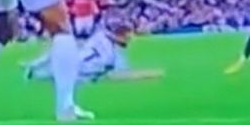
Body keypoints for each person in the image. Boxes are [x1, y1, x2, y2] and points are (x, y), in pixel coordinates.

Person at [24, 25, 164, 83]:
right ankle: (34, 70)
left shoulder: (100, 36)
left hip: (78, 60)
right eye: (127, 38)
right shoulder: (113, 55)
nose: (129, 41)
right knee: (63, 77)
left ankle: (33, 69)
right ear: (120, 36)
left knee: (55, 69)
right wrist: (148, 74)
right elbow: (115, 75)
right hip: (84, 69)